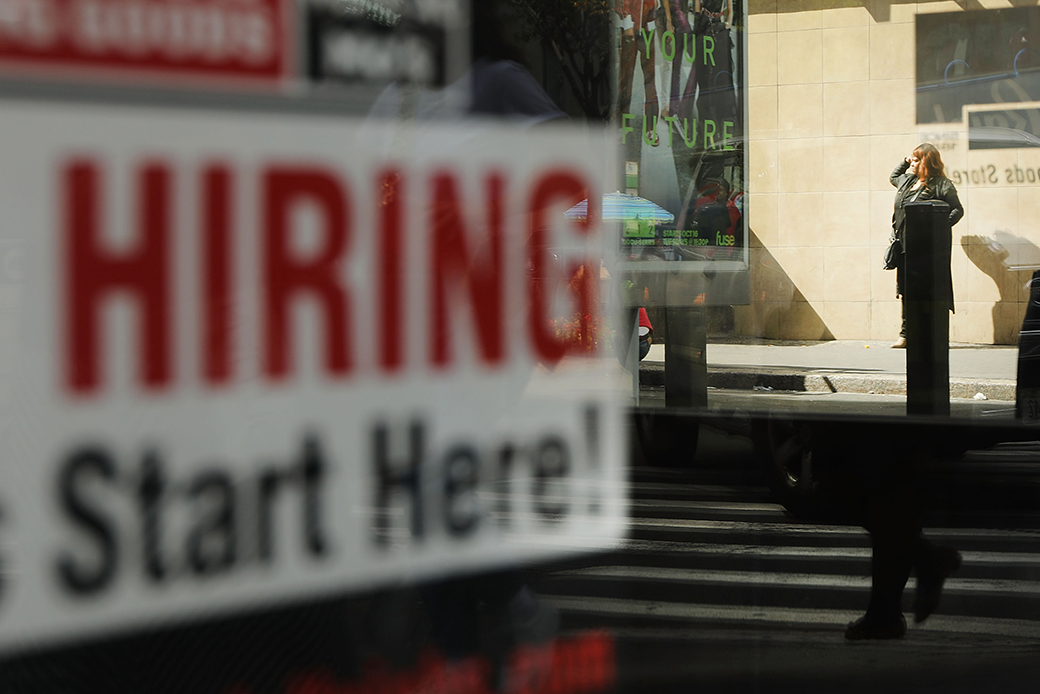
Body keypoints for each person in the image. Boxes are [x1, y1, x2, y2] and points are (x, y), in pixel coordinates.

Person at [888, 143, 963, 348]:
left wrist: (939, 226)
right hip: (905, 246)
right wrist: (905, 162)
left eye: (916, 159)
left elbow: (957, 210)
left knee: (930, 290)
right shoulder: (907, 180)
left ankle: (932, 333)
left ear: (926, 162)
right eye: (912, 159)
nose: (912, 162)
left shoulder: (942, 184)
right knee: (906, 290)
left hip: (929, 249)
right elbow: (893, 177)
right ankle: (906, 334)